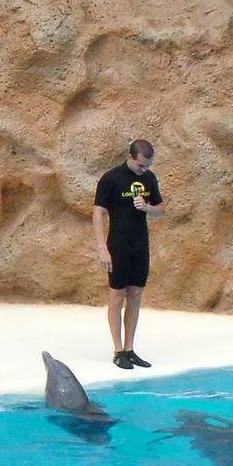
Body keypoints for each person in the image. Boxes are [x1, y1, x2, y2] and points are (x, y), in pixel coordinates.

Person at [93, 140, 165, 370]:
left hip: (140, 244)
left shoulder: (149, 178)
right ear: (131, 157)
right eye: (141, 165)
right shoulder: (111, 178)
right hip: (117, 244)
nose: (144, 169)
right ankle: (118, 350)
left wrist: (147, 208)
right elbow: (98, 212)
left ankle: (130, 349)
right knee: (117, 295)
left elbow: (161, 209)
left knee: (136, 294)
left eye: (147, 166)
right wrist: (102, 248)